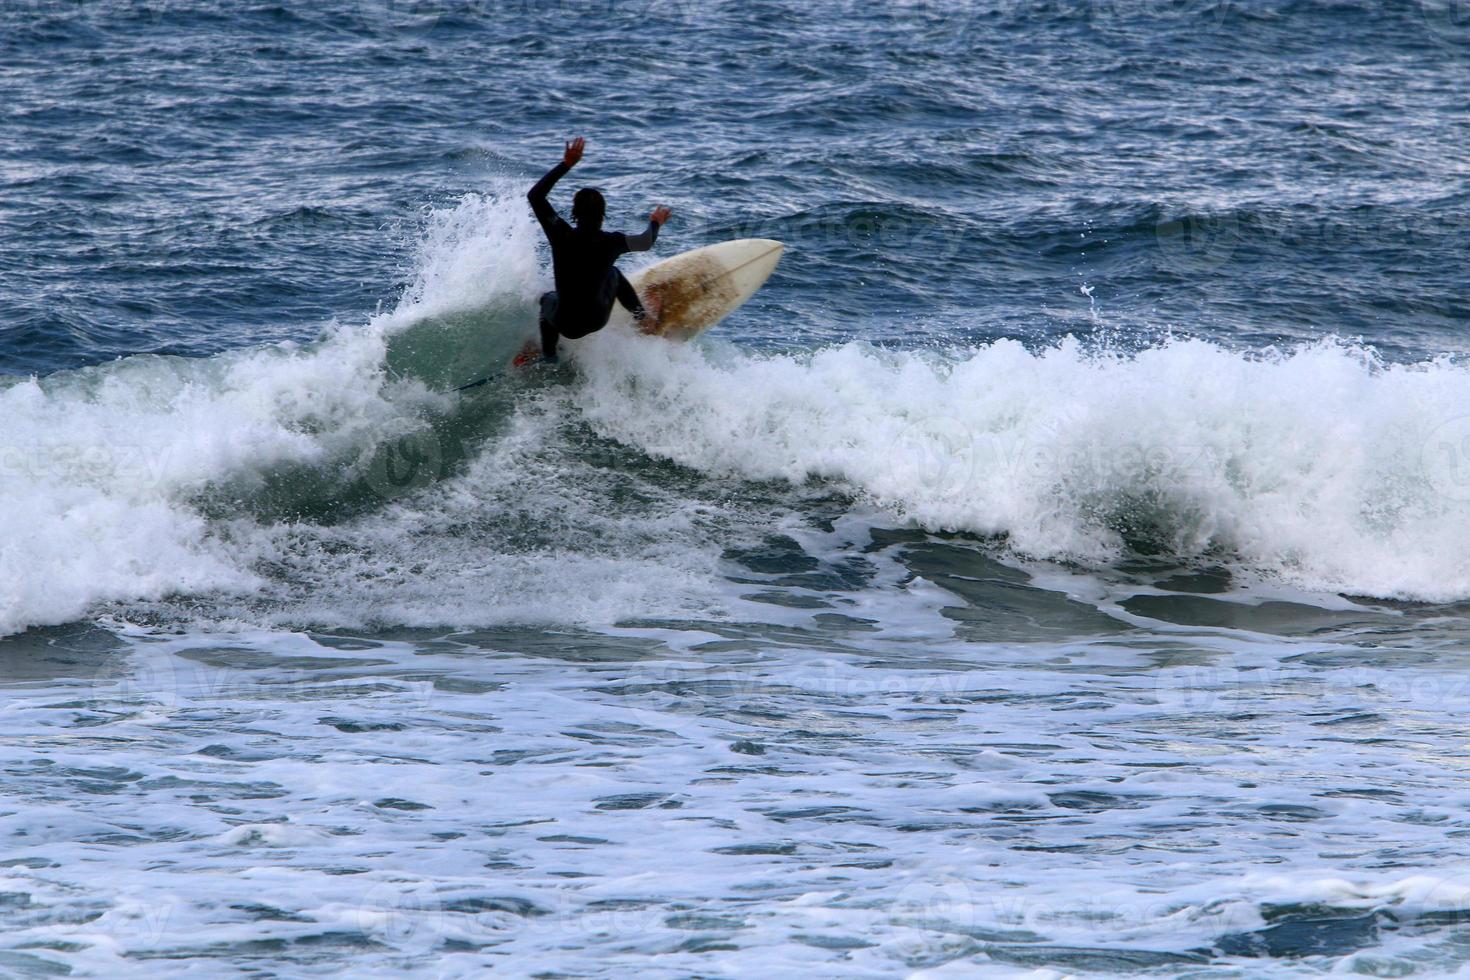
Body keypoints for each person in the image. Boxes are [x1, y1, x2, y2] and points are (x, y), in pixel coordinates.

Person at [525, 137, 672, 363]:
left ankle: (549, 355)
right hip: (596, 319)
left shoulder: (560, 233)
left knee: (547, 299)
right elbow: (645, 242)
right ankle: (642, 318)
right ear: (603, 214)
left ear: (574, 213)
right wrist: (655, 222)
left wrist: (566, 164)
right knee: (613, 273)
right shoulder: (613, 242)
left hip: (565, 323)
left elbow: (535, 196)